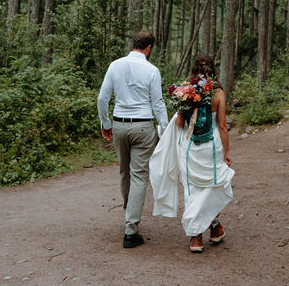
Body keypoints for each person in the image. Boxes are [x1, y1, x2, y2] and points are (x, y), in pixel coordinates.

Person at [150, 54, 234, 253]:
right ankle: (214, 228)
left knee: (192, 189)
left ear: (194, 68)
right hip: (212, 148)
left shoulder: (184, 90)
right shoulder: (219, 93)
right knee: (213, 185)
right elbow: (222, 126)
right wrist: (227, 152)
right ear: (212, 69)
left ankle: (195, 237)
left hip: (190, 148)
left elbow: (179, 123)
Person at [97, 31, 169, 248]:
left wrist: (106, 123)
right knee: (139, 176)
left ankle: (130, 213)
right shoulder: (151, 70)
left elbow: (102, 98)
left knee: (124, 172)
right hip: (143, 126)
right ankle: (131, 229)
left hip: (119, 124)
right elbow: (157, 103)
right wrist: (165, 130)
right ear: (148, 48)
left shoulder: (115, 65)